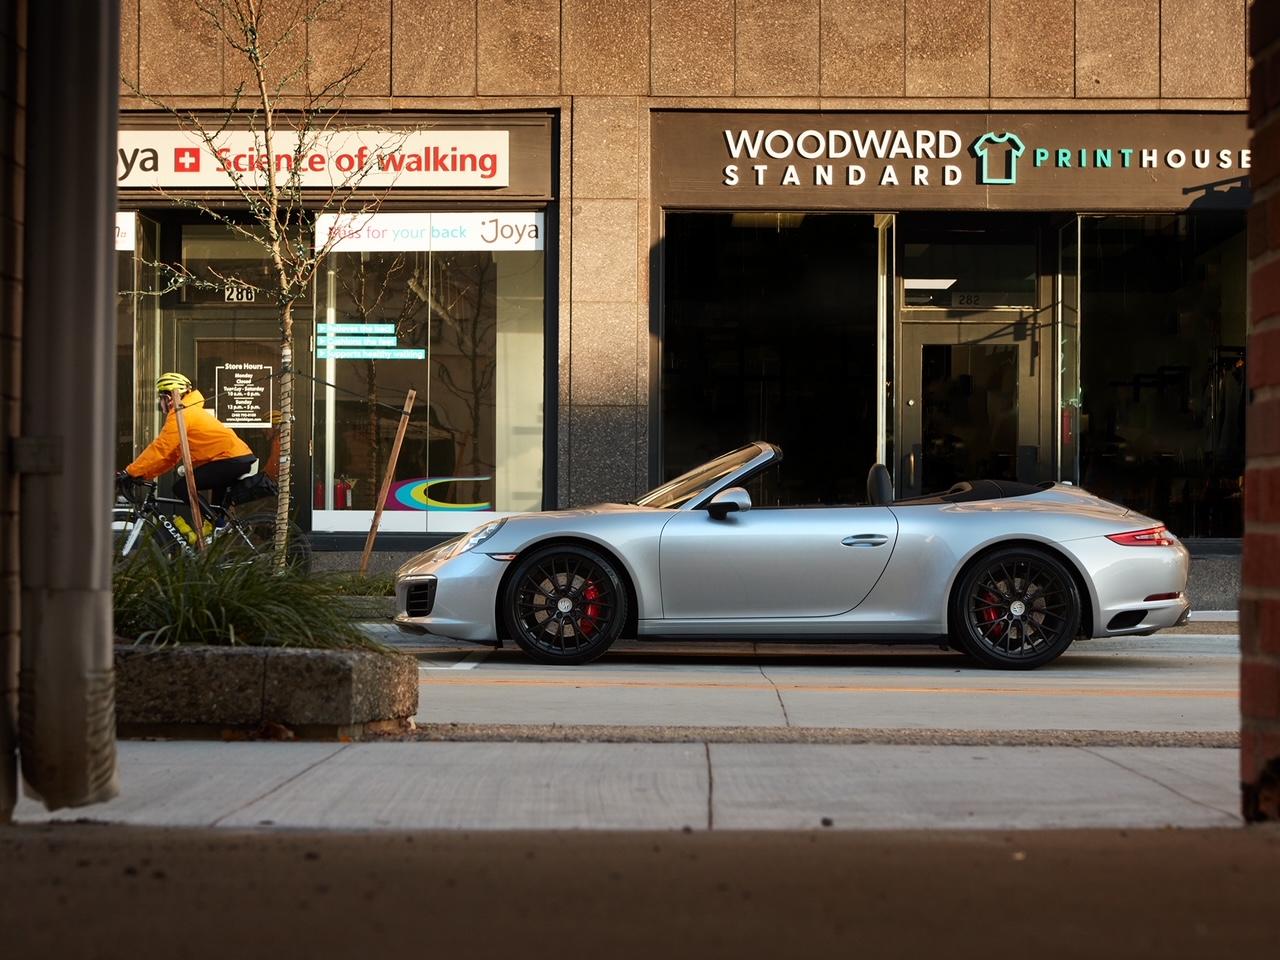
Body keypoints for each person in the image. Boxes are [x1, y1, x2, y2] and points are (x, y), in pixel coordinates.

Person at [118, 372, 258, 517]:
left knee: (182, 487)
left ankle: (218, 524)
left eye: (161, 398)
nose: (160, 403)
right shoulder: (189, 411)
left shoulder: (182, 414)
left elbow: (161, 448)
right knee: (216, 510)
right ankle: (218, 532)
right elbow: (171, 456)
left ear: (169, 398)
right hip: (235, 459)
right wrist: (144, 474)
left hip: (229, 460)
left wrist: (131, 472)